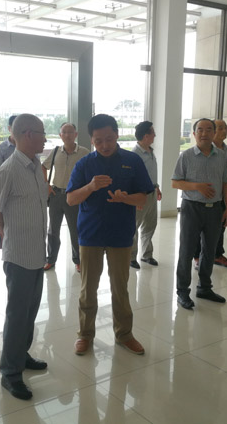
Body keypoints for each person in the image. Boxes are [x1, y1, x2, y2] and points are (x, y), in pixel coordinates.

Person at [66, 114, 154, 356]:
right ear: (91, 140)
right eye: (98, 141)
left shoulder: (132, 161)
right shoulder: (84, 165)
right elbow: (71, 199)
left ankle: (124, 334)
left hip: (120, 234)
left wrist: (125, 198)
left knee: (120, 288)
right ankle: (85, 335)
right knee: (88, 289)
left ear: (117, 135)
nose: (104, 145)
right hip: (90, 235)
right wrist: (91, 186)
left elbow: (143, 198)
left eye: (108, 139)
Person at [0, 113, 49, 401]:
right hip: (19, 256)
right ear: (27, 135)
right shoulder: (9, 169)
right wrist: (9, 233)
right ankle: (10, 373)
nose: (45, 138)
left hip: (37, 252)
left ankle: (21, 355)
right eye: (42, 133)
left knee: (30, 312)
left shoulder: (36, 165)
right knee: (17, 315)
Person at [172, 118, 227, 310]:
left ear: (214, 133)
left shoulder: (222, 156)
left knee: (210, 250)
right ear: (194, 133)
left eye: (208, 130)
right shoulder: (186, 156)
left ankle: (204, 288)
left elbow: (226, 183)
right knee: (187, 250)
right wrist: (196, 186)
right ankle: (182, 291)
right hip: (191, 208)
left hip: (215, 209)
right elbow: (175, 182)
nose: (204, 133)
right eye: (200, 130)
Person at [42, 122, 89, 273]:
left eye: (70, 132)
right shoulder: (56, 151)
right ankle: (51, 259)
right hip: (56, 195)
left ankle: (78, 260)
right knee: (53, 230)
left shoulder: (84, 152)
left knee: (75, 230)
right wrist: (47, 185)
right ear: (60, 135)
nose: (67, 135)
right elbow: (43, 166)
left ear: (76, 134)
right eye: (64, 132)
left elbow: (90, 172)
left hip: (74, 197)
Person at [193, 119, 227, 269]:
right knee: (200, 228)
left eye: (226, 128)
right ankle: (198, 256)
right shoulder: (204, 148)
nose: (224, 131)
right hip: (204, 195)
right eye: (220, 128)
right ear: (213, 131)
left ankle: (217, 255)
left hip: (221, 194)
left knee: (220, 226)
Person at [130, 121, 162, 269]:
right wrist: (136, 198)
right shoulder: (134, 154)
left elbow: (151, 173)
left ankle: (147, 255)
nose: (155, 135)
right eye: (152, 132)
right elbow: (132, 178)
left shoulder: (150, 151)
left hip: (152, 192)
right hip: (140, 194)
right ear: (145, 136)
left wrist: (157, 187)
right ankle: (131, 257)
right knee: (134, 226)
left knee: (150, 224)